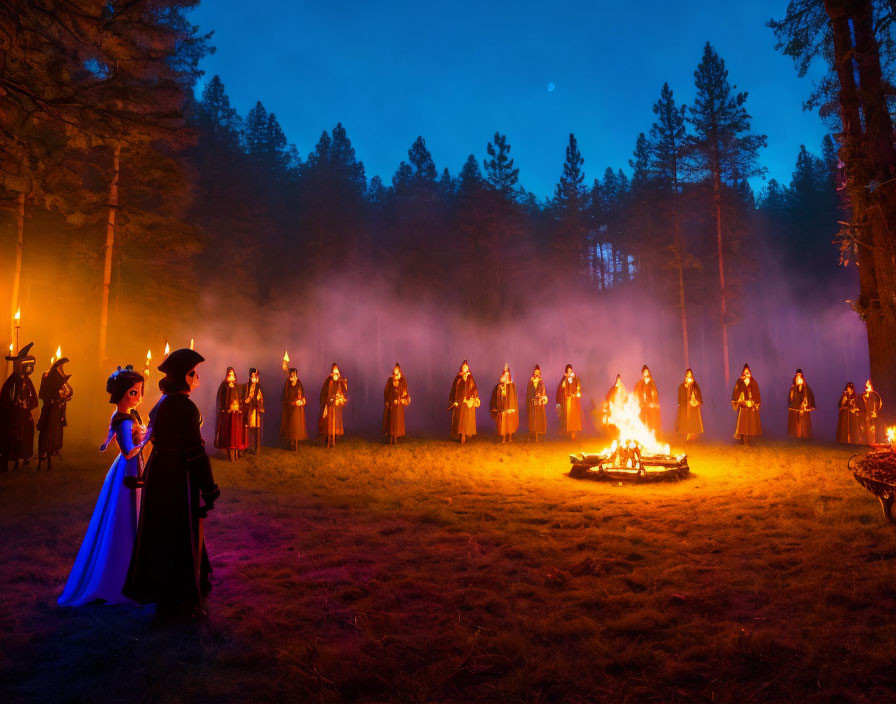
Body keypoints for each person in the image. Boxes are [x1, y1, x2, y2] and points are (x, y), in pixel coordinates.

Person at [123, 348, 220, 618]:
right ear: (184, 376)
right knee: (178, 533)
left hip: (160, 474)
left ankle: (165, 596)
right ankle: (182, 596)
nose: (196, 377)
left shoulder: (163, 403)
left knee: (160, 532)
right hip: (177, 478)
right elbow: (195, 451)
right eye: (193, 373)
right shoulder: (184, 407)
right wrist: (209, 488)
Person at [58, 366, 145, 607]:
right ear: (122, 394)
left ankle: (130, 563)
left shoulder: (124, 417)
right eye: (134, 393)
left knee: (128, 512)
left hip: (125, 468)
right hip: (129, 469)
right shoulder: (125, 420)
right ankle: (121, 568)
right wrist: (148, 438)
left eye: (139, 392)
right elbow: (129, 452)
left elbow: (111, 432)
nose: (139, 397)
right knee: (125, 514)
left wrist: (107, 442)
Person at [0, 342, 38, 471]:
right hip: (14, 416)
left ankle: (23, 457)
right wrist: (15, 404)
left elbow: (33, 397)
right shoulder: (12, 381)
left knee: (26, 434)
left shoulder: (27, 381)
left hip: (24, 415)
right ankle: (11, 458)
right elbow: (5, 399)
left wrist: (28, 404)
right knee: (12, 436)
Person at [36, 356, 73, 471]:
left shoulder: (60, 378)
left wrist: (64, 397)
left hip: (57, 410)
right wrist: (55, 397)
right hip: (49, 410)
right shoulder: (48, 376)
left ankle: (52, 450)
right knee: (47, 432)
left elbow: (67, 392)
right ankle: (43, 454)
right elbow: (43, 393)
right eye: (61, 366)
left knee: (55, 432)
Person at [214, 367, 246, 462]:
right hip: (227, 414)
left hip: (236, 414)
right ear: (227, 374)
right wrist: (223, 409)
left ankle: (236, 451)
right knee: (228, 433)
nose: (231, 375)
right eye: (230, 374)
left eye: (232, 373)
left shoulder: (237, 386)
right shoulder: (224, 385)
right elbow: (220, 397)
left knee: (236, 433)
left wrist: (240, 408)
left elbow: (240, 398)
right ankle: (230, 452)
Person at [731, 363, 762, 445]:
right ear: (743, 373)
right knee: (743, 423)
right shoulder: (740, 381)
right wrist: (740, 400)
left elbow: (756, 392)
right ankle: (743, 439)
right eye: (745, 372)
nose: (746, 374)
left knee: (750, 423)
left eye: (747, 372)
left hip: (750, 405)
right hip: (743, 405)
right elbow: (736, 391)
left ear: (750, 373)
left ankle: (750, 440)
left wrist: (754, 402)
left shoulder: (753, 381)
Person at [449, 360, 479, 444]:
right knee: (459, 418)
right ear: (461, 368)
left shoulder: (470, 378)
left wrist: (473, 398)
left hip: (467, 402)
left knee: (465, 419)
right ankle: (459, 434)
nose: (464, 368)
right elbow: (454, 389)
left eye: (466, 367)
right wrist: (453, 400)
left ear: (468, 368)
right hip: (459, 402)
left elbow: (474, 389)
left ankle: (463, 435)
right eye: (463, 367)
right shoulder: (458, 378)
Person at [319, 363, 348, 448]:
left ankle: (334, 436)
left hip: (337, 405)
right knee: (329, 422)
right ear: (332, 373)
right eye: (334, 373)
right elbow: (325, 392)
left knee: (336, 422)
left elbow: (344, 391)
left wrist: (340, 398)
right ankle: (329, 438)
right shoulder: (329, 381)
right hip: (330, 405)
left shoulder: (340, 382)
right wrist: (329, 400)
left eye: (337, 373)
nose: (335, 375)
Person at [382, 363, 410, 445]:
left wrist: (403, 397)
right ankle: (391, 436)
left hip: (399, 404)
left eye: (397, 370)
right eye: (395, 371)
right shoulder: (390, 380)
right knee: (391, 420)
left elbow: (405, 390)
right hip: (392, 403)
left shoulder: (403, 380)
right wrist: (388, 400)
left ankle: (398, 435)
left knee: (399, 420)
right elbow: (387, 391)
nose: (396, 372)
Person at [490, 365, 519, 443]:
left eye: (507, 375)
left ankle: (509, 437)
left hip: (510, 407)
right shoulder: (499, 386)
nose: (506, 377)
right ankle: (503, 438)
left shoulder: (512, 385)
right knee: (503, 424)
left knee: (510, 423)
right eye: (504, 375)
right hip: (502, 407)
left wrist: (512, 407)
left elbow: (513, 397)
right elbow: (496, 396)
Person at [280, 368, 307, 451]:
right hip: (290, 407)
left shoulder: (299, 383)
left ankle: (296, 444)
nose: (293, 376)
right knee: (291, 426)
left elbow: (301, 393)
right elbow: (286, 396)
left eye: (295, 374)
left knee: (297, 426)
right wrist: (291, 403)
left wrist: (301, 400)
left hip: (297, 408)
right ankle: (291, 444)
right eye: (292, 374)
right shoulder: (288, 384)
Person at [556, 364, 583, 440]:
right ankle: (566, 434)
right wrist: (565, 380)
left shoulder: (575, 379)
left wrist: (577, 393)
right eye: (568, 371)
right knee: (566, 418)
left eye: (570, 371)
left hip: (573, 401)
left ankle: (573, 434)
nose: (569, 372)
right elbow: (561, 389)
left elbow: (577, 388)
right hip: (566, 402)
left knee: (573, 418)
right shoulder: (564, 380)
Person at [787, 369, 815, 440]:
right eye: (797, 375)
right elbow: (791, 398)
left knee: (803, 422)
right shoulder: (793, 388)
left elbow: (808, 395)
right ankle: (795, 435)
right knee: (795, 422)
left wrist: (806, 404)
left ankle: (804, 436)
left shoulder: (805, 388)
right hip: (795, 407)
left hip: (803, 408)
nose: (798, 376)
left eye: (800, 375)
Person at [676, 369, 703, 441]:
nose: (689, 375)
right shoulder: (683, 385)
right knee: (686, 420)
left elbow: (697, 393)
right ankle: (687, 435)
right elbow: (681, 394)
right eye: (687, 374)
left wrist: (696, 401)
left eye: (690, 374)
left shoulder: (694, 385)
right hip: (685, 406)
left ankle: (692, 436)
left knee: (693, 420)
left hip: (692, 406)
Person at [633, 365, 661, 435]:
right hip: (642, 405)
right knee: (642, 420)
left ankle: (650, 435)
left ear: (648, 372)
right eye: (644, 372)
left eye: (646, 371)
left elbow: (654, 394)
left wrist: (654, 403)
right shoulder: (640, 383)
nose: (645, 373)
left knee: (650, 420)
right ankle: (642, 434)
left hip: (650, 405)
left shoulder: (651, 383)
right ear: (642, 373)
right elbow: (636, 391)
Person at [243, 368, 264, 454]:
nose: (254, 379)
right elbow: (246, 398)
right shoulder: (248, 386)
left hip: (256, 410)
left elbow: (261, 398)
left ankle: (256, 448)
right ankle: (249, 446)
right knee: (249, 429)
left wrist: (258, 401)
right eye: (252, 377)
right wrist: (248, 399)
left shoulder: (258, 387)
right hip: (249, 410)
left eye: (256, 377)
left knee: (256, 429)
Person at [525, 365, 548, 442]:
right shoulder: (530, 382)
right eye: (535, 373)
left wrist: (541, 397)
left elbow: (543, 392)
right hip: (532, 403)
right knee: (532, 420)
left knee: (537, 420)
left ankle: (537, 437)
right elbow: (528, 393)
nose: (536, 374)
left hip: (538, 404)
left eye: (538, 373)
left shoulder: (541, 383)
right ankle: (531, 435)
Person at [860, 380, 883, 444]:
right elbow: (863, 406)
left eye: (868, 387)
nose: (866, 389)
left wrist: (875, 412)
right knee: (866, 431)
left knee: (872, 431)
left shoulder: (875, 395)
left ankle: (872, 444)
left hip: (872, 416)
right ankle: (867, 444)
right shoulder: (864, 396)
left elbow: (879, 404)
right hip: (866, 416)